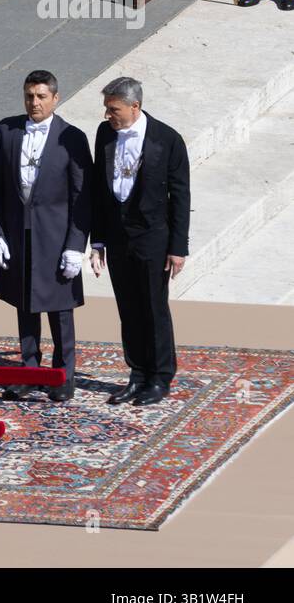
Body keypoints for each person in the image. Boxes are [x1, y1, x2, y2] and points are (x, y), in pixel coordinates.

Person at [0, 70, 92, 402]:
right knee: (25, 305)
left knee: (60, 310)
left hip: (56, 239)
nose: (35, 102)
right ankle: (29, 371)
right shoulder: (8, 130)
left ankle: (63, 375)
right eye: (30, 95)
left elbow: (82, 197)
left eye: (42, 96)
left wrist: (76, 246)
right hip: (19, 235)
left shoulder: (72, 137)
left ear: (55, 99)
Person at [90, 76, 189, 407]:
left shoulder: (167, 139)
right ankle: (137, 373)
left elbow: (180, 194)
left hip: (152, 238)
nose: (108, 116)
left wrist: (178, 248)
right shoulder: (105, 134)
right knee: (128, 308)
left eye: (113, 109)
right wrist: (99, 239)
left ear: (135, 106)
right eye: (106, 109)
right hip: (118, 238)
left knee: (153, 307)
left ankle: (160, 377)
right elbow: (99, 191)